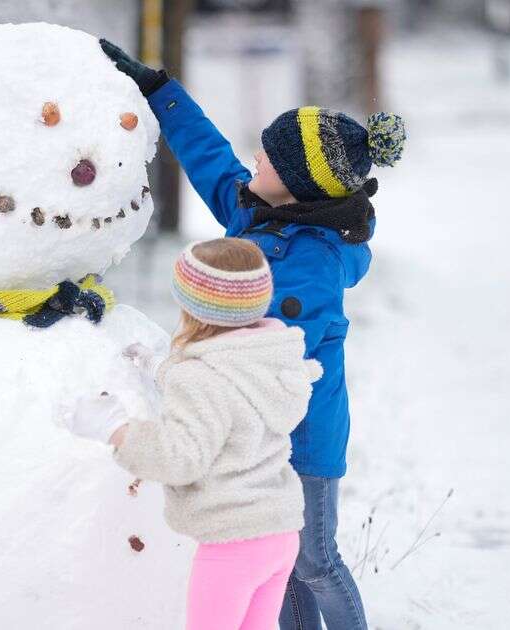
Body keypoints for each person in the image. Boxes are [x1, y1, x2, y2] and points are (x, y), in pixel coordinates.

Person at [98, 38, 406, 630]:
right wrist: (161, 91)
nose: (253, 165)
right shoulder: (259, 215)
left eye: (265, 161)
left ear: (295, 185)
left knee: (314, 560)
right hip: (261, 435)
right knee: (282, 561)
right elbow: (209, 158)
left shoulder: (312, 264)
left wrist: (182, 367)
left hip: (306, 439)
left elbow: (266, 355)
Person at [66, 237, 322, 630]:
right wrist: (159, 368)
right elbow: (227, 392)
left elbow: (180, 457)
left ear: (195, 307)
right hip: (281, 533)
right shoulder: (271, 359)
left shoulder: (201, 378)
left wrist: (114, 428)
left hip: (232, 543)